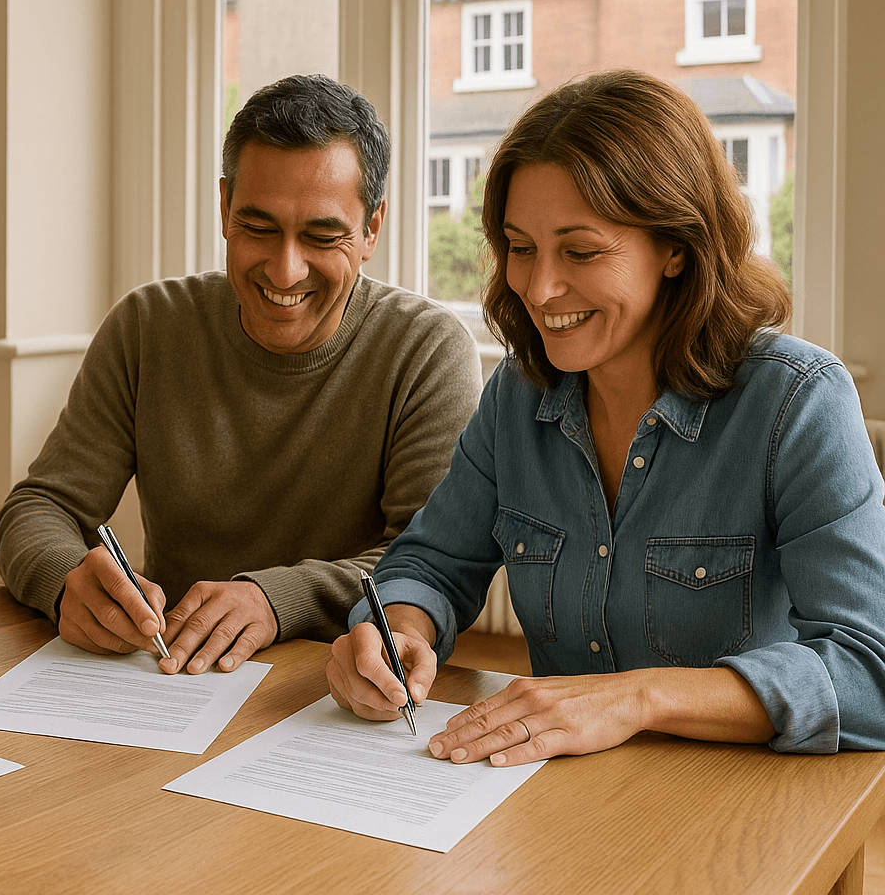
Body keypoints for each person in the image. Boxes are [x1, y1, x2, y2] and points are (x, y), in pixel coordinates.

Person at [328, 69, 885, 759]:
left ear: (677, 245)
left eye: (581, 251)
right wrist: (396, 628)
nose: (538, 287)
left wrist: (639, 697)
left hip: (737, 813)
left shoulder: (796, 402)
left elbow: (870, 672)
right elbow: (433, 562)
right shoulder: (518, 394)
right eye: (521, 248)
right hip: (556, 803)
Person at [0, 74, 482, 676]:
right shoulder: (148, 326)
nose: (285, 269)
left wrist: (275, 600)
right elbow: (38, 506)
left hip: (335, 687)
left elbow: (427, 560)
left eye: (322, 235)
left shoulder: (427, 348)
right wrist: (65, 579)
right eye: (258, 228)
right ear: (225, 208)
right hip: (171, 677)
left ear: (371, 229)